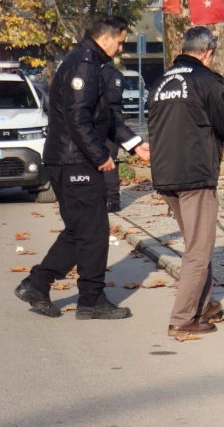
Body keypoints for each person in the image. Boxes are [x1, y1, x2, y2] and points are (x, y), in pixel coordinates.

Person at [14, 17, 151, 319]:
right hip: (75, 161)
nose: (121, 46)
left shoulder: (88, 62)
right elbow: (78, 117)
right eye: (120, 40)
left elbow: (104, 117)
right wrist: (100, 155)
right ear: (106, 39)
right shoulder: (85, 65)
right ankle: (91, 299)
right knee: (94, 231)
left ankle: (37, 284)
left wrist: (134, 143)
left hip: (68, 159)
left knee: (81, 230)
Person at [147, 26, 224, 337]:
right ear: (207, 52)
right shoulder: (208, 81)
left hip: (166, 175)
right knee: (198, 249)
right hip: (196, 176)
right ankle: (182, 320)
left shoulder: (160, 82)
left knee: (198, 243)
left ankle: (203, 305)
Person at [100, 60, 132, 213]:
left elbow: (114, 96)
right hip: (92, 123)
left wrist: (94, 93)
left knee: (110, 160)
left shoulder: (113, 74)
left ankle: (113, 200)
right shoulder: (88, 72)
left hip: (112, 122)